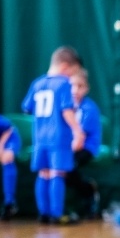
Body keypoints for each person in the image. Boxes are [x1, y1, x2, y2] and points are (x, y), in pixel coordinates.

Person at [21, 46, 86, 224]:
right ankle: (57, 214)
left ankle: (44, 214)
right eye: (73, 73)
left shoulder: (37, 83)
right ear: (65, 67)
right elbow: (66, 110)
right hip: (58, 138)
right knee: (58, 173)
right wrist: (77, 131)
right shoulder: (63, 84)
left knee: (43, 173)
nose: (71, 78)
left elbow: (27, 108)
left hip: (40, 139)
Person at [67, 69, 102, 218]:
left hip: (86, 148)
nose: (75, 90)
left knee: (68, 166)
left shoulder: (89, 109)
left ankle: (88, 191)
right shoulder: (65, 107)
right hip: (68, 147)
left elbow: (79, 141)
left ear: (86, 88)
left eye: (80, 86)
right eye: (72, 85)